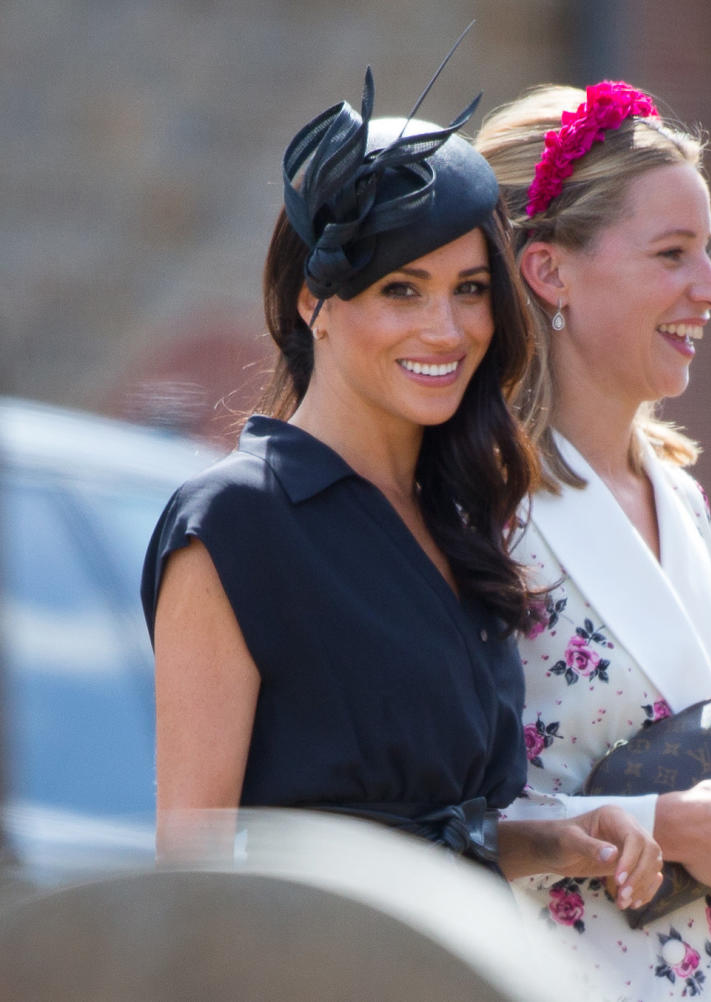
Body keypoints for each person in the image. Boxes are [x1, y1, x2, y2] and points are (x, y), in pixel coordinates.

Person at [140, 66, 663, 901]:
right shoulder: (235, 522)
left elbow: (437, 829)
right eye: (401, 289)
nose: (445, 328)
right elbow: (190, 873)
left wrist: (556, 836)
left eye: (471, 290)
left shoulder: (461, 517)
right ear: (317, 300)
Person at [475, 81, 711, 999]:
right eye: (673, 255)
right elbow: (430, 819)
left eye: (710, 253)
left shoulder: (683, 500)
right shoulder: (478, 509)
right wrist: (670, 824)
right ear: (549, 270)